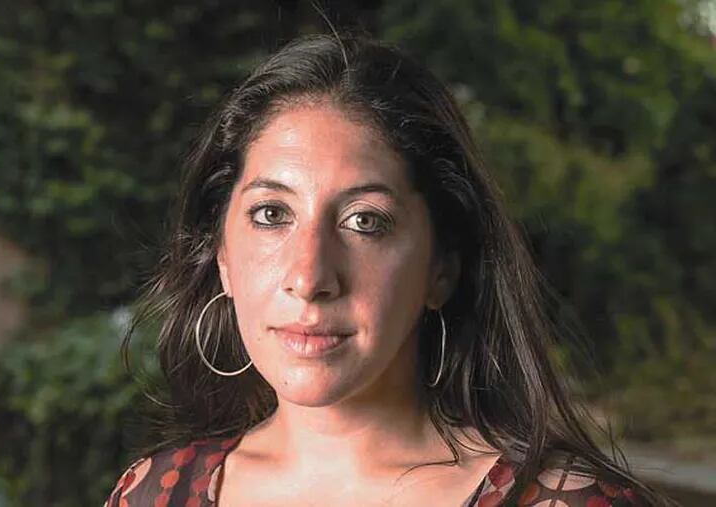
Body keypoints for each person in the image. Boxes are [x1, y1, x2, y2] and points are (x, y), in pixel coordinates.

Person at [105, 34, 672, 506]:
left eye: (364, 221)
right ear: (222, 257)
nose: (310, 277)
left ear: (441, 267)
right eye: (272, 214)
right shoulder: (153, 493)